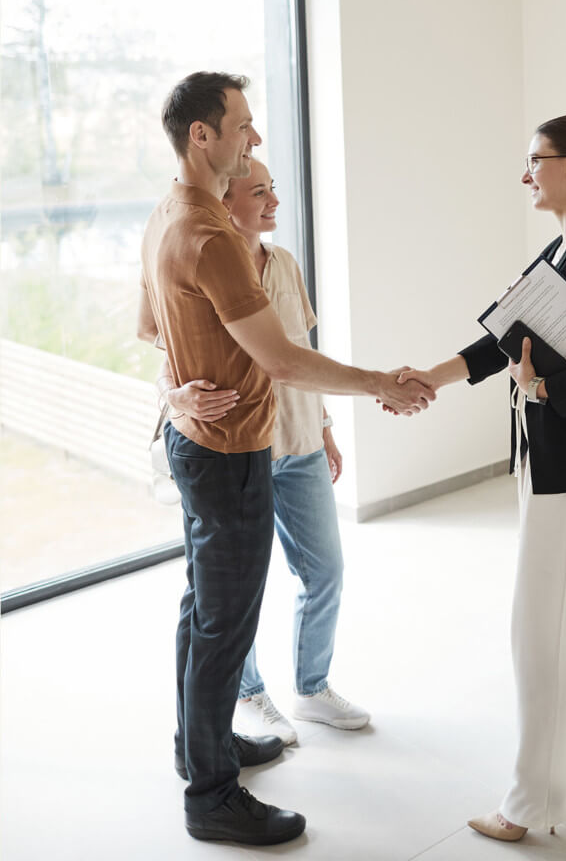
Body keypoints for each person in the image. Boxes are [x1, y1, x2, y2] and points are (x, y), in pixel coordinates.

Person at [138, 71, 433, 846]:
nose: (255, 138)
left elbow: (169, 334)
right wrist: (382, 386)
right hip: (228, 454)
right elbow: (285, 361)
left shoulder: (170, 212)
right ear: (201, 135)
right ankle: (211, 797)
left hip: (203, 447)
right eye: (241, 125)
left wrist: (175, 395)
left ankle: (199, 747)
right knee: (223, 628)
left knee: (201, 612)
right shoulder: (209, 236)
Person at [395, 115, 566, 841]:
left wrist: (544, 395)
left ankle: (531, 804)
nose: (525, 175)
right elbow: (505, 338)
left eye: (533, 161)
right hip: (555, 459)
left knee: (541, 630)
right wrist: (431, 377)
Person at [161, 159, 368, 746]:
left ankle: (312, 687)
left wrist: (325, 424)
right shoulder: (202, 259)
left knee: (324, 568)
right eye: (260, 192)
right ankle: (250, 694)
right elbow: (168, 361)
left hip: (298, 443)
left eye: (275, 188)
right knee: (237, 588)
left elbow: (300, 350)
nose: (274, 200)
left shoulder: (284, 264)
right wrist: (176, 398)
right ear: (227, 202)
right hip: (236, 450)